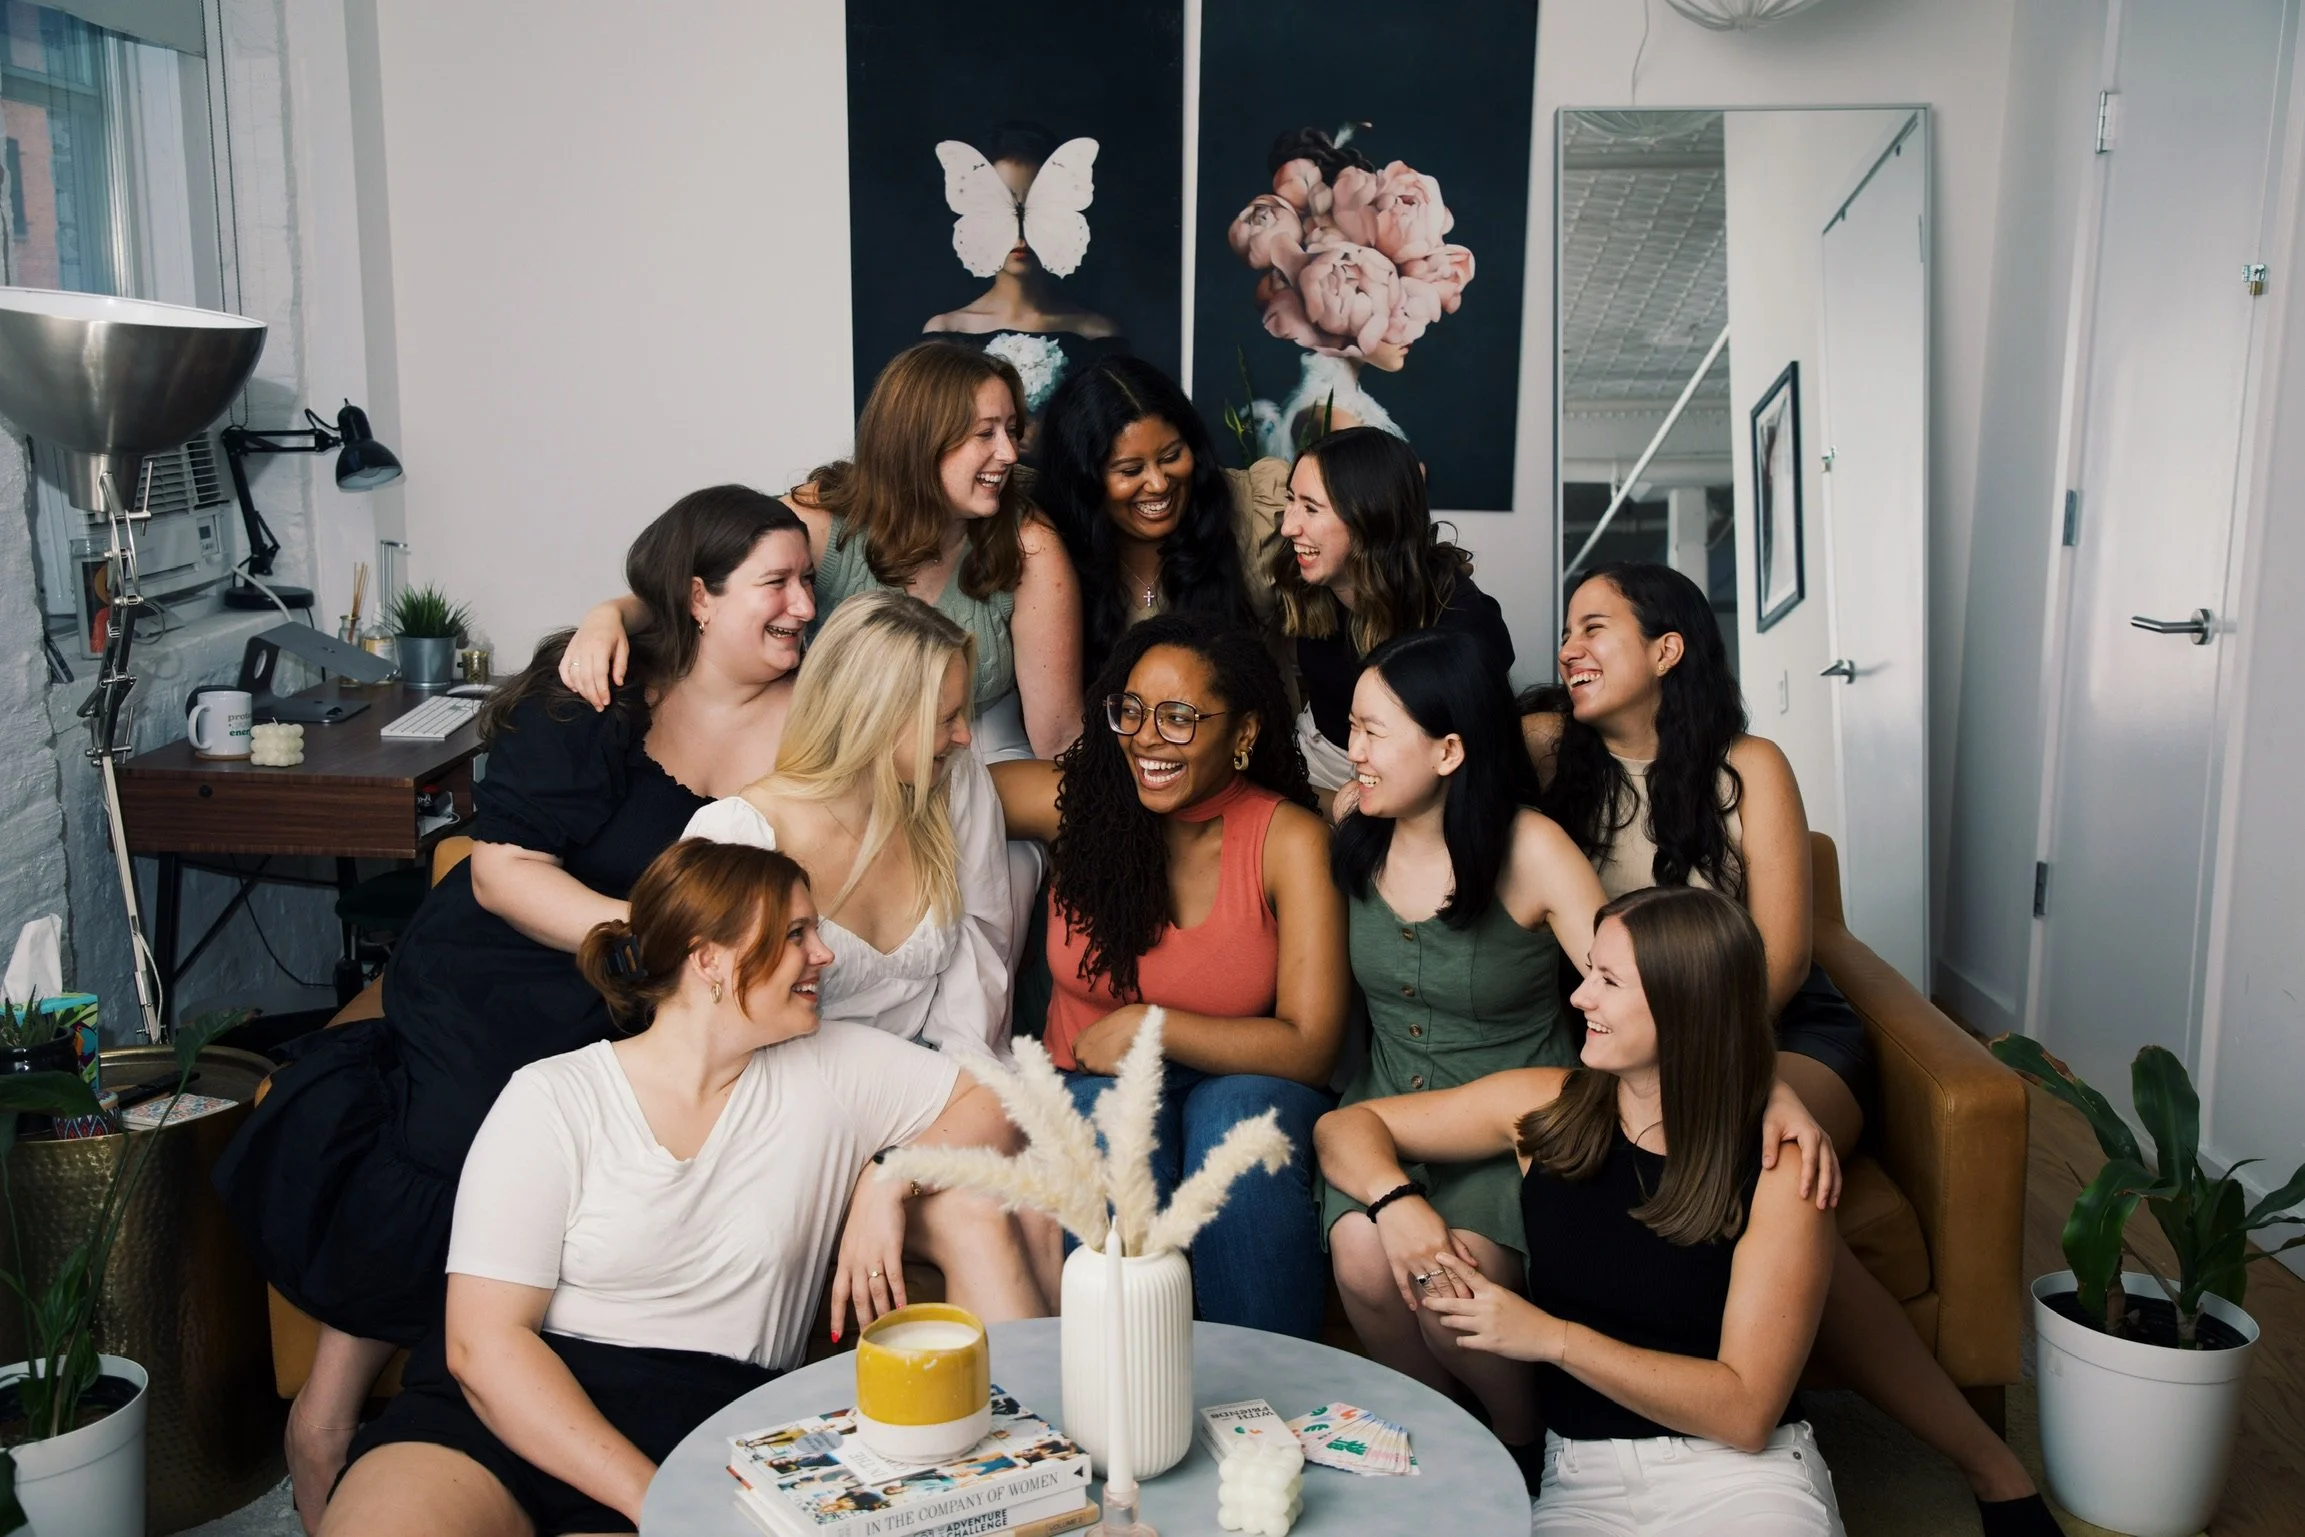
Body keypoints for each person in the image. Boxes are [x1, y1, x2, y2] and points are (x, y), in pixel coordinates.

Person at [214, 486, 816, 1534]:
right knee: (472, 1121)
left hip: (638, 992)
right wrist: (659, 934)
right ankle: (327, 1413)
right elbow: (500, 878)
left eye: (808, 579)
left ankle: (345, 1411)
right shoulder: (594, 691)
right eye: (778, 582)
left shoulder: (809, 708)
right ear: (700, 597)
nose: (804, 603)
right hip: (508, 960)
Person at [1524, 562, 2063, 1535]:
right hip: (1635, 1048)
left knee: (1782, 1166)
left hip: (1777, 1033)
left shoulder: (1749, 766)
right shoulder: (1552, 753)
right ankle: (1992, 1468)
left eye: (1593, 627)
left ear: (1667, 647)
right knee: (1793, 1217)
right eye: (1566, 628)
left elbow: (1777, 955)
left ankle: (1987, 1465)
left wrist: (1730, 1081)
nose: (1568, 647)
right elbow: (1424, 747)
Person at [319, 839, 1052, 1537]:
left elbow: (999, 1102)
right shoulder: (553, 1096)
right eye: (796, 933)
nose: (824, 954)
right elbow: (482, 1344)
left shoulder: (833, 1068)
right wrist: (650, 1497)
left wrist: (888, 1175)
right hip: (501, 1413)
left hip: (700, 1428)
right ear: (708, 959)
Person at [1316, 886, 1847, 1536]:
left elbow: (1744, 1410)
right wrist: (1395, 1204)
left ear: (1685, 1003)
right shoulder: (1546, 1108)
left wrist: (1547, 1336)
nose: (1579, 996)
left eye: (1607, 980)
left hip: (1741, 1475)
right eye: (1586, 970)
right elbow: (1344, 1128)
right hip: (1582, 1474)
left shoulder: (1780, 1164)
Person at [994, 617, 1348, 1338]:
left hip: (1242, 1080)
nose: (1147, 738)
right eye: (1130, 710)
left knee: (1238, 1138)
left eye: (1180, 718)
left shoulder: (1289, 840)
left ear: (1243, 732)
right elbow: (919, 786)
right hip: (1093, 1083)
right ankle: (1117, 1407)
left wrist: (1149, 1025)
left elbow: (1309, 1044)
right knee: (1112, 1140)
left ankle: (1266, 1407)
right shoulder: (1080, 805)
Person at [562, 341, 1082, 762]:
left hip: (971, 747)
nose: (1010, 454)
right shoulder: (820, 521)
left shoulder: (1030, 547)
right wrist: (610, 614)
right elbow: (709, 585)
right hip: (832, 750)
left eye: (1011, 431)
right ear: (921, 441)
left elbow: (1059, 736)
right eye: (984, 434)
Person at [681, 591, 1014, 1066]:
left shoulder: (952, 781)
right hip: (794, 1092)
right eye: (946, 719)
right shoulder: (740, 835)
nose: (965, 735)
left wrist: (951, 1093)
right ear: (874, 719)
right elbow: (712, 1022)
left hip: (933, 1079)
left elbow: (980, 954)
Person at [1273, 426, 1514, 804]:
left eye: (1311, 508)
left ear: (1371, 517)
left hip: (1416, 789)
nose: (1289, 526)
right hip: (1314, 761)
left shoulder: (1463, 626)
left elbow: (1479, 774)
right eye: (1291, 501)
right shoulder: (1308, 575)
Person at [1032, 354, 1286, 685]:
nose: (1159, 483)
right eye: (1130, 470)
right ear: (1084, 480)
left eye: (1171, 457)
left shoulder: (1258, 508)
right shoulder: (1046, 543)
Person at [921, 121, 1125, 417]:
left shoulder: (1097, 335)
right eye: (1003, 206)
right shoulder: (945, 332)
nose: (1019, 230)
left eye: (1034, 207)